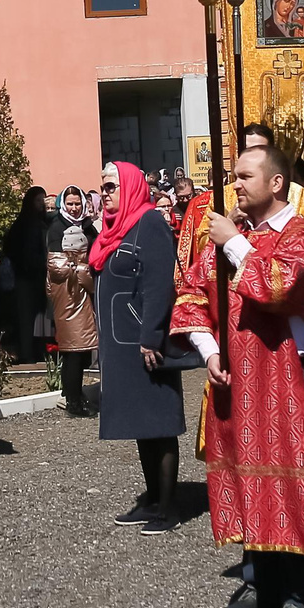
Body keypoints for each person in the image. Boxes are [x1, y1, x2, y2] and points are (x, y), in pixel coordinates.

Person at [175, 144, 304, 608]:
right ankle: (258, 584)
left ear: (276, 183)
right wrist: (209, 351)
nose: (236, 184)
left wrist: (233, 243)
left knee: (290, 481)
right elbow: (192, 292)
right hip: (238, 381)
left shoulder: (302, 236)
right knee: (247, 477)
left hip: (288, 382)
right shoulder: (234, 235)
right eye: (234, 175)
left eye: (246, 176)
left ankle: (298, 594)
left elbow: (280, 287)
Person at [89, 161, 184, 531]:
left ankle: (168, 508)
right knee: (141, 422)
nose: (105, 193)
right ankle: (152, 498)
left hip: (144, 342)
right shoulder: (113, 229)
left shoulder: (149, 223)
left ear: (129, 186)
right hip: (121, 344)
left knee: (159, 421)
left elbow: (158, 284)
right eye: (103, 187)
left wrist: (150, 336)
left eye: (111, 186)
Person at [44, 217, 96, 418]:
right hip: (79, 319)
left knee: (68, 358)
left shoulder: (53, 267)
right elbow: (93, 287)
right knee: (77, 359)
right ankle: (75, 402)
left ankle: (69, 395)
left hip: (62, 317)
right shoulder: (81, 270)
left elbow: (49, 291)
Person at [2, 186, 55, 360]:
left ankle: (39, 353)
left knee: (41, 319)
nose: (41, 204)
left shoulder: (43, 222)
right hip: (26, 279)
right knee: (26, 319)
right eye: (38, 200)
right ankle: (27, 355)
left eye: (43, 200)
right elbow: (15, 250)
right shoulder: (24, 224)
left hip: (39, 278)